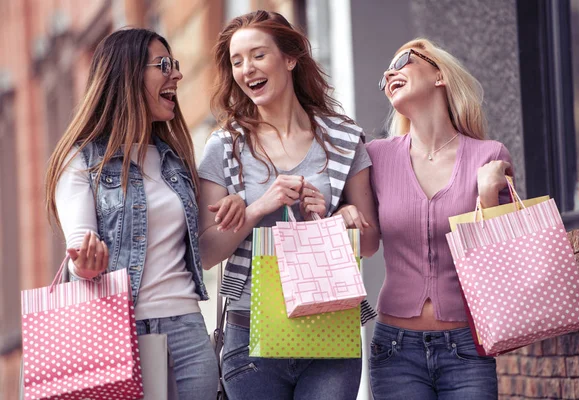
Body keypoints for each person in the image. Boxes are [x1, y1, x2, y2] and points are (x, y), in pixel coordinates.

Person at [45, 28, 245, 399]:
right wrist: (85, 265)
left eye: (176, 65)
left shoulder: (175, 159)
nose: (177, 76)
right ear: (127, 75)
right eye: (163, 65)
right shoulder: (82, 159)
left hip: (186, 327)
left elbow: (200, 247)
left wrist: (237, 209)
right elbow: (79, 243)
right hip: (113, 329)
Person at [197, 10, 379, 400]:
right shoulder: (224, 147)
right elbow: (207, 253)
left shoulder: (344, 140)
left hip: (329, 327)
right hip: (250, 336)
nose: (247, 69)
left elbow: (371, 241)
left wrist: (339, 220)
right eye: (237, 61)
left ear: (290, 58)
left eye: (258, 55)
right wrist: (257, 207)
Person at [367, 38, 513, 400]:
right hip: (395, 349)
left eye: (402, 60)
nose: (389, 73)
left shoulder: (488, 155)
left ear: (439, 75)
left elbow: (500, 259)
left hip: (467, 346)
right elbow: (365, 243)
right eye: (385, 73)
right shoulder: (376, 157)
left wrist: (488, 193)